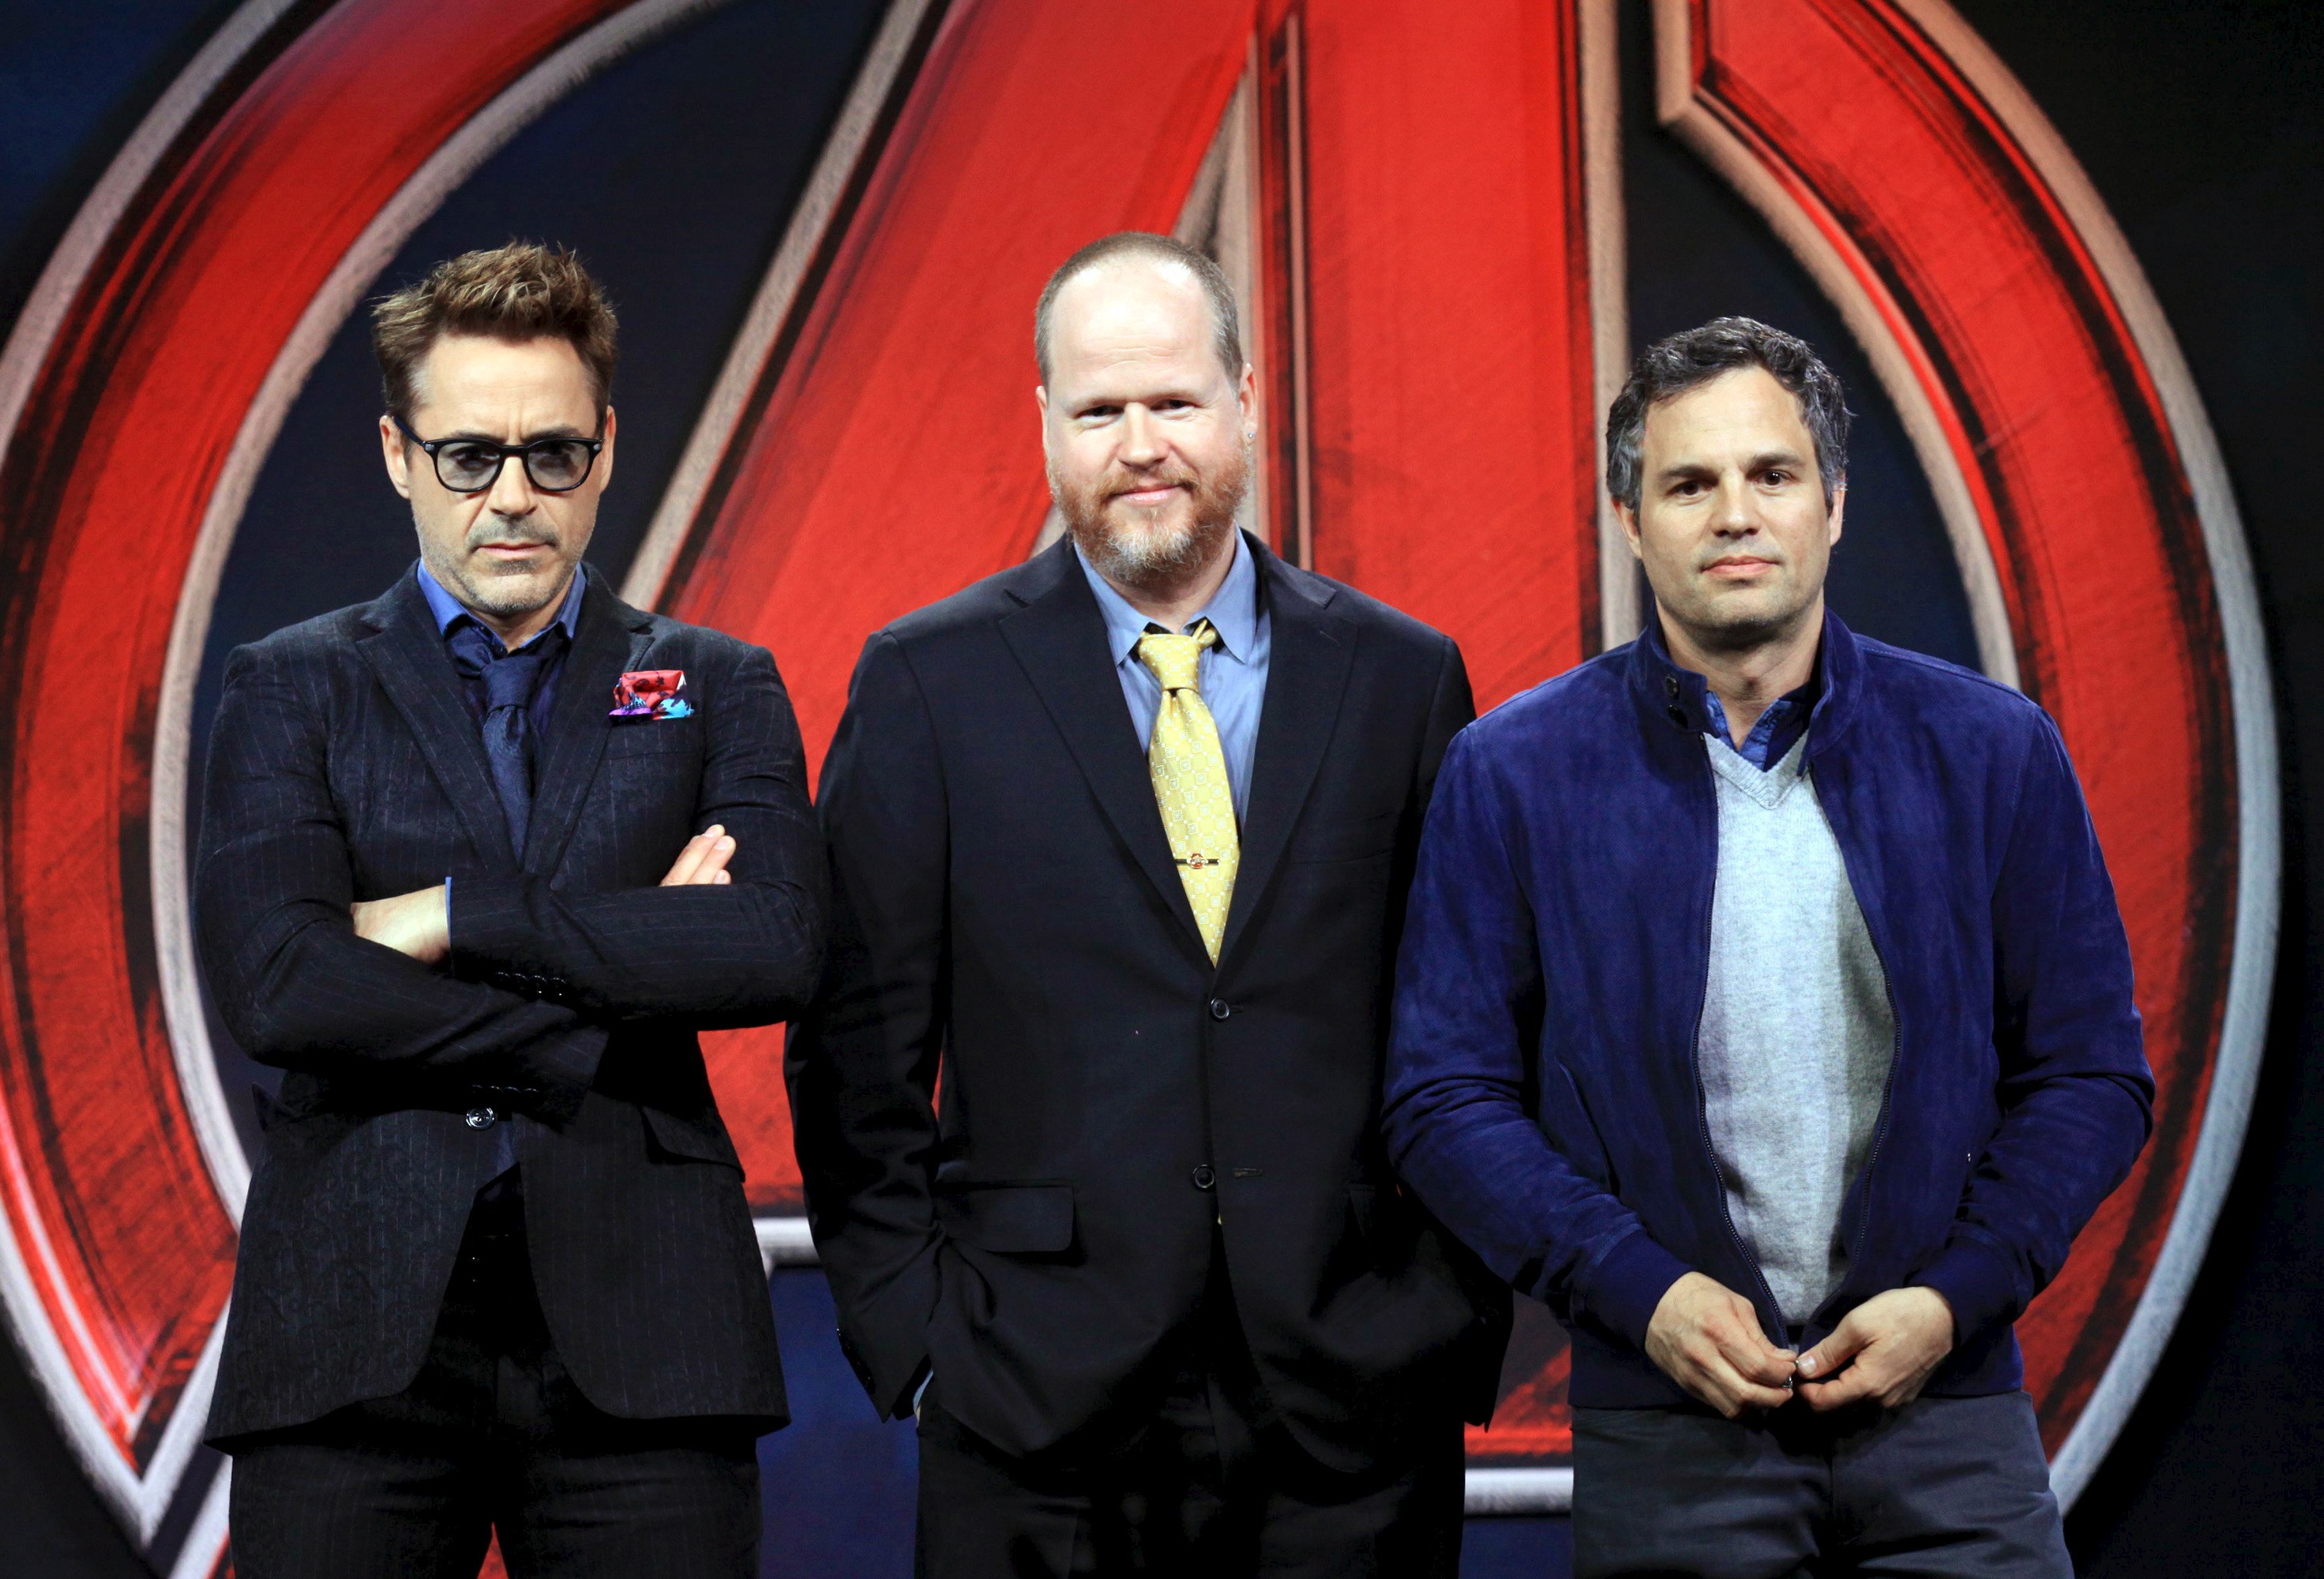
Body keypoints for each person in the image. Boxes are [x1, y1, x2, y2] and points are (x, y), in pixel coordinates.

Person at [1383, 317, 2152, 1577]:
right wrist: (1640, 1292)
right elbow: (1441, 1098)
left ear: (1834, 504)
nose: (1734, 513)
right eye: (1690, 484)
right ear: (1632, 520)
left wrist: (1954, 1298)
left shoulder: (1992, 752)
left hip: (1947, 1417)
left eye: (1772, 475)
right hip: (1670, 1426)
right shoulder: (1512, 775)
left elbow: (2091, 1077)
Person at [787, 232, 1507, 1577]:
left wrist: (1443, 1318)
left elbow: (1469, 1027)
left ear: (1245, 397)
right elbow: (855, 1057)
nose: (1140, 443)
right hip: (1030, 1408)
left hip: (1353, 1402)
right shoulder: (928, 685)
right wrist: (921, 1343)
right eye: (1099, 408)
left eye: (1173, 401)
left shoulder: (1402, 676)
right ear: (1045, 423)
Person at [196, 242, 824, 1577]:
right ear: (396, 454)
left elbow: (773, 942)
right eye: (469, 456)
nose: (513, 498)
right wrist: (602, 997)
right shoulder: (290, 685)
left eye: (551, 455)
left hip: (649, 1327)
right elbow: (281, 984)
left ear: (603, 450)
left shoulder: (718, 682)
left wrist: (449, 913)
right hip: (351, 1328)